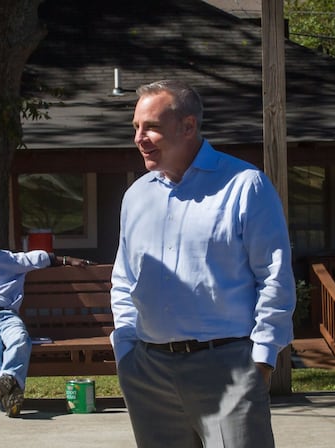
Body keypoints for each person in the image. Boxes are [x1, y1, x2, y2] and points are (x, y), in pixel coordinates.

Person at [110, 80, 296, 448]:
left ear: (189, 127)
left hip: (227, 367)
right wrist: (126, 351)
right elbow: (124, 279)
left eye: (152, 128)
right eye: (136, 128)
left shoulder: (245, 186)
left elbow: (274, 279)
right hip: (148, 371)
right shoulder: (136, 195)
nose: (139, 138)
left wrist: (261, 361)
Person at [0, 224, 94, 417]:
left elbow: (35, 258)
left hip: (7, 314)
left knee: (19, 340)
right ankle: (7, 394)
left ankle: (4, 390)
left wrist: (67, 260)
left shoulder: (4, 259)